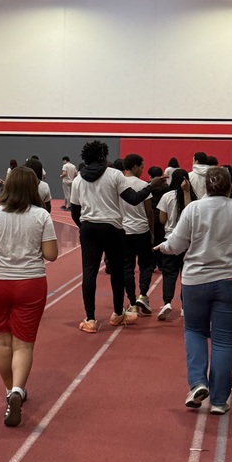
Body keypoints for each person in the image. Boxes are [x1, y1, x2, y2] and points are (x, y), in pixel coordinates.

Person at [158, 166, 232, 414]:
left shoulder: (193, 209)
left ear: (206, 186)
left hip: (195, 281)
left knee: (195, 332)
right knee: (222, 339)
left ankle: (198, 382)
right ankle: (219, 400)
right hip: (231, 281)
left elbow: (176, 244)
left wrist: (163, 247)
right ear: (230, 186)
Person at [0, 166, 58, 427]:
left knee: (3, 342)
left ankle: (9, 389)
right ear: (34, 188)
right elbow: (52, 254)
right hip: (31, 283)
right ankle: (17, 391)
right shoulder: (41, 216)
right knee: (23, 344)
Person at [70, 140, 166, 332]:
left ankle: (89, 319)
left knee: (89, 272)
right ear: (103, 157)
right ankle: (117, 313)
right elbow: (133, 199)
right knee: (117, 271)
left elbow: (74, 211)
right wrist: (150, 186)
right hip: (112, 228)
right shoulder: (114, 175)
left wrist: (85, 226)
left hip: (89, 228)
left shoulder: (78, 180)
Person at [156, 167, 197, 320]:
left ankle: (167, 302)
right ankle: (185, 306)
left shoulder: (167, 196)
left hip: (170, 239)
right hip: (188, 242)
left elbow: (161, 220)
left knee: (169, 273)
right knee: (186, 273)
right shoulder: (194, 199)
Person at [121, 154, 154, 316]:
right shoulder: (143, 185)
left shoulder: (117, 184)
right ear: (134, 167)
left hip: (124, 231)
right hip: (141, 230)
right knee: (145, 265)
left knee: (127, 267)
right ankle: (143, 294)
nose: (142, 170)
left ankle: (132, 302)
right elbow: (149, 211)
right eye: (141, 167)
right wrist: (152, 231)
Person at [148, 166, 170, 271]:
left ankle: (151, 264)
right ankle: (161, 264)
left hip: (150, 218)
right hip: (162, 217)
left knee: (151, 242)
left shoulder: (147, 187)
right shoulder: (167, 188)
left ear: (150, 176)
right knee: (161, 240)